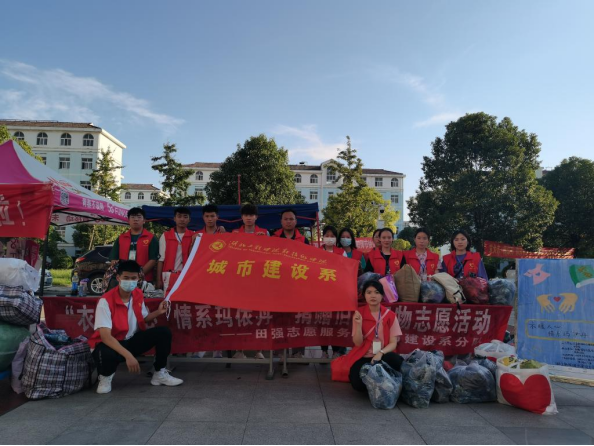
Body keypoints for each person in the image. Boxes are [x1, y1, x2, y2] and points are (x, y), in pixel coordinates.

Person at [89, 261, 183, 394]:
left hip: (130, 340)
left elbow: (143, 318)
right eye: (126, 278)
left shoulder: (138, 294)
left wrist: (158, 312)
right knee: (105, 351)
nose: (130, 281)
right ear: (118, 278)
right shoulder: (105, 301)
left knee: (163, 333)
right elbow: (105, 337)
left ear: (138, 278)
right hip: (111, 343)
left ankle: (159, 373)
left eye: (133, 278)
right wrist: (129, 356)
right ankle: (105, 377)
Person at [348, 280, 403, 392]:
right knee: (357, 383)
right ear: (364, 295)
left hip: (383, 355)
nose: (373, 295)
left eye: (377, 292)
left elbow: (393, 343)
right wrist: (358, 324)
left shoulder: (390, 315)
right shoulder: (359, 314)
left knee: (396, 361)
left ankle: (384, 383)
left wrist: (380, 353)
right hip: (365, 356)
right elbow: (358, 343)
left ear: (382, 296)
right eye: (369, 292)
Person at [274, 209, 308, 359]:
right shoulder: (273, 238)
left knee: (298, 319)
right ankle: (279, 351)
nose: (288, 221)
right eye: (285, 219)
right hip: (278, 286)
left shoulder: (304, 240)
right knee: (279, 320)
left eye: (291, 219)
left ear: (296, 221)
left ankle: (298, 352)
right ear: (281, 221)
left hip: (297, 286)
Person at [109, 208, 159, 285]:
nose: (136, 219)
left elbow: (153, 260)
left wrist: (139, 275)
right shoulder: (121, 238)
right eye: (132, 217)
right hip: (124, 280)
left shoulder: (151, 238)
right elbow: (114, 259)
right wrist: (124, 274)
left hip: (145, 280)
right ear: (128, 220)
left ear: (144, 220)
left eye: (139, 217)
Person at [157, 207, 195, 293]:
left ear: (189, 219)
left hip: (187, 275)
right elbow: (161, 259)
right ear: (174, 218)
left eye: (185, 217)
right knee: (168, 299)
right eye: (179, 216)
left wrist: (221, 227)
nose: (182, 219)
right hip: (169, 275)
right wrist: (158, 279)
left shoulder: (194, 236)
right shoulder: (165, 236)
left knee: (185, 298)